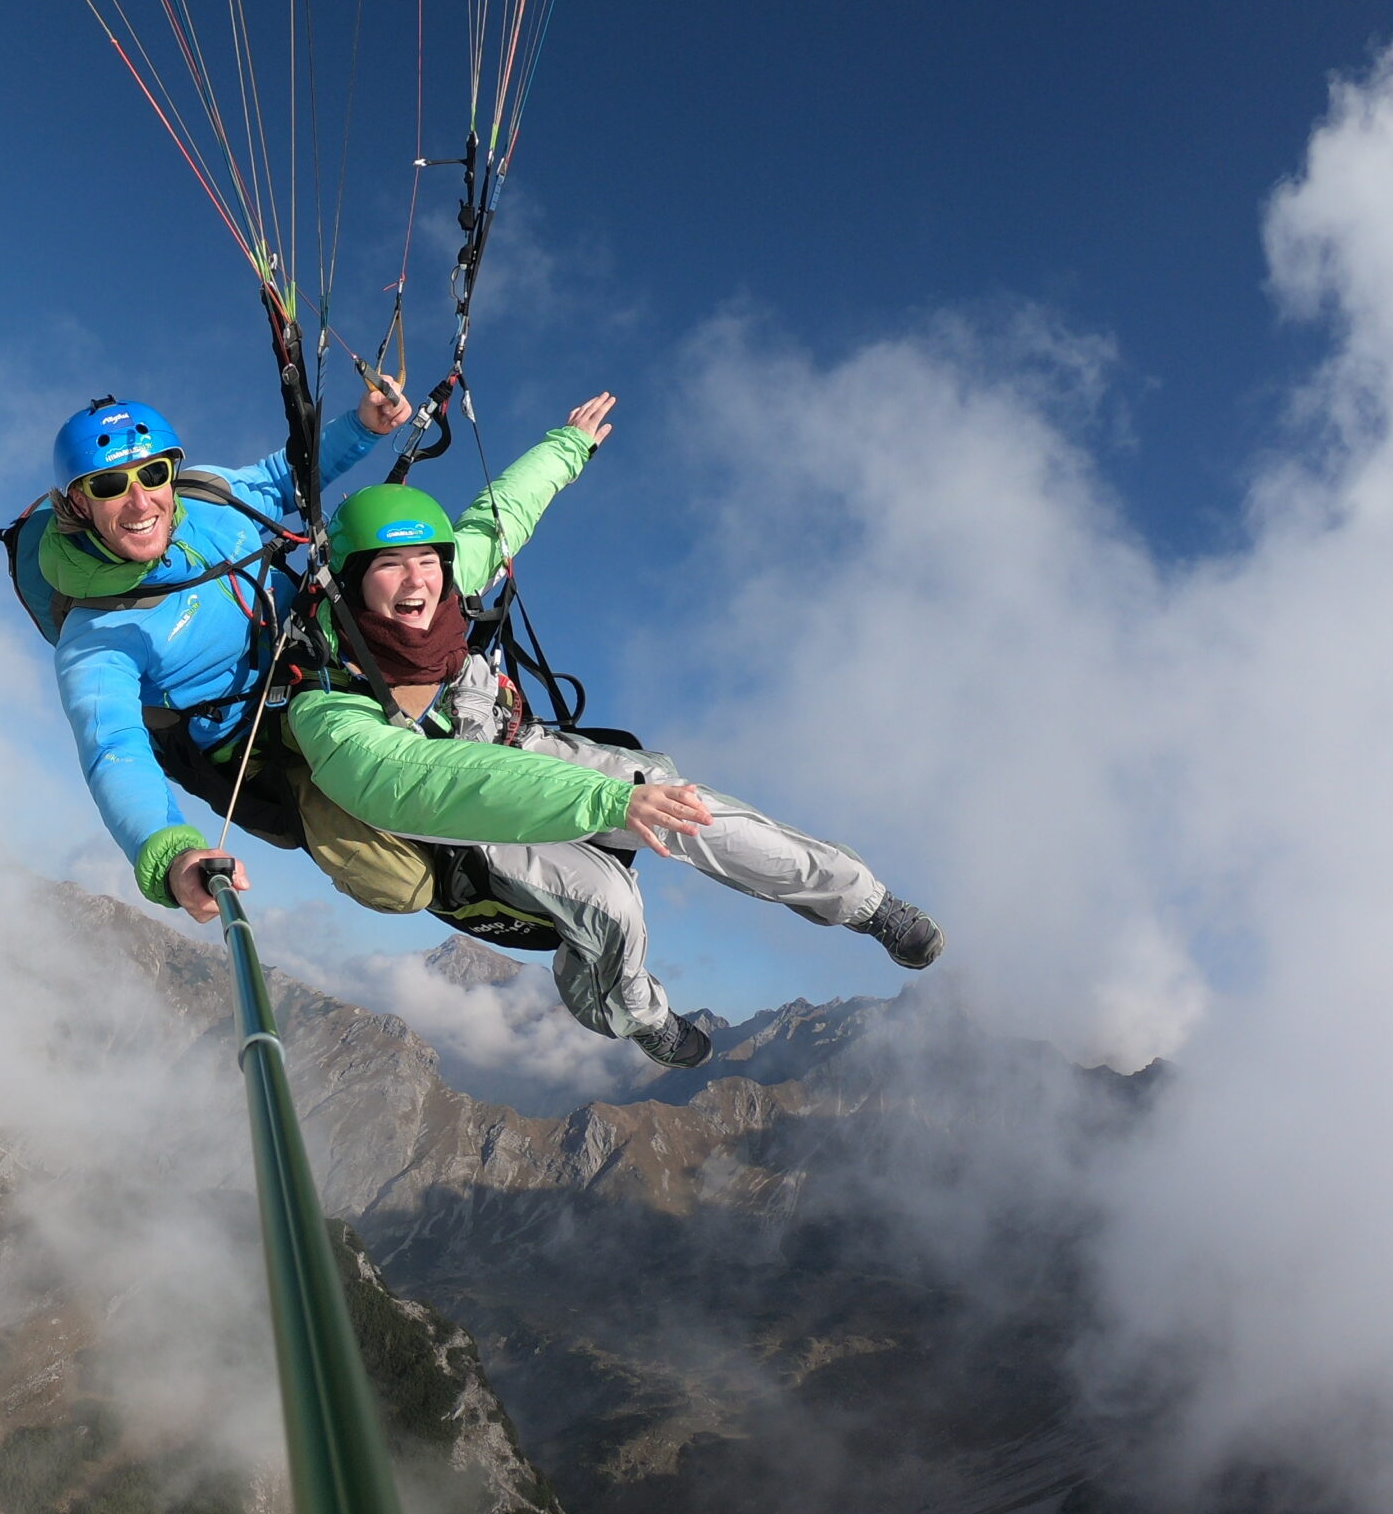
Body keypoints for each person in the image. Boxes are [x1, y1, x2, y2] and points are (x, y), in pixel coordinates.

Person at [180, 392, 944, 1069]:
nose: (418, 581)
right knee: (610, 904)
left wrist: (567, 446)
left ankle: (863, 901)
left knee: (692, 810)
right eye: (390, 565)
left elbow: (501, 512)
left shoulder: (449, 583)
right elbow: (419, 782)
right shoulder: (326, 701)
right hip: (467, 821)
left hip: (519, 744)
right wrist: (607, 803)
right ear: (349, 579)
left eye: (427, 560)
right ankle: (637, 1013)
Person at [45, 382, 411, 915]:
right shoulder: (96, 634)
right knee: (399, 883)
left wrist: (362, 427)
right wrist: (171, 853)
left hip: (321, 660)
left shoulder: (210, 499)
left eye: (153, 474)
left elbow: (281, 478)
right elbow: (112, 745)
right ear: (79, 501)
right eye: (109, 485)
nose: (141, 501)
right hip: (256, 749)